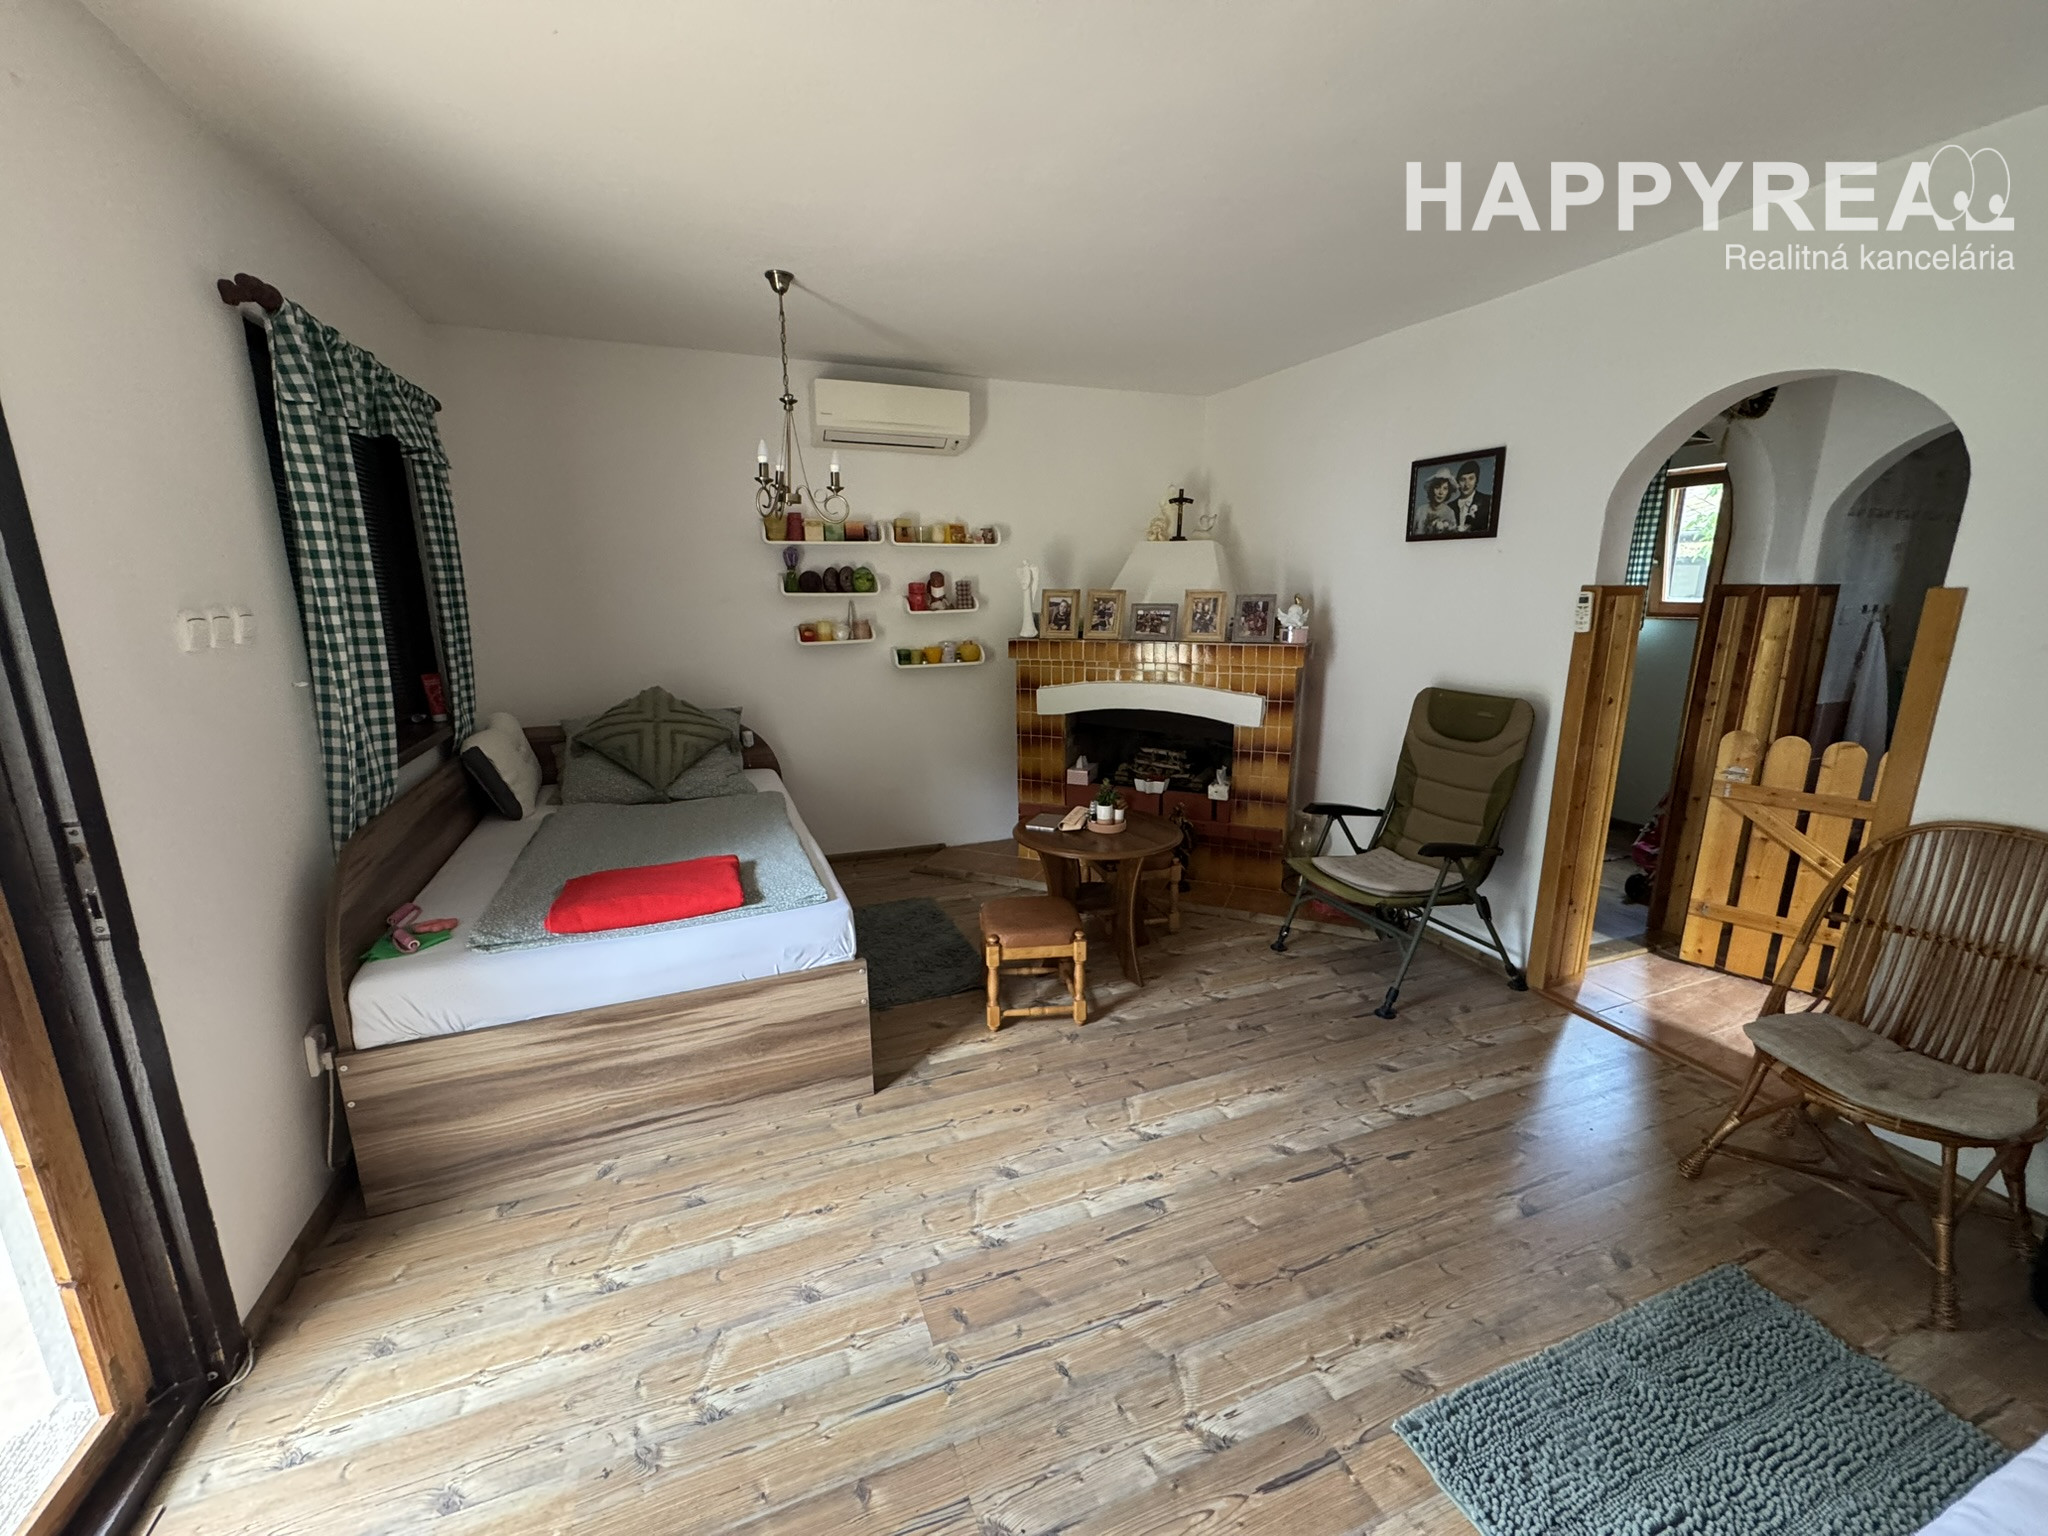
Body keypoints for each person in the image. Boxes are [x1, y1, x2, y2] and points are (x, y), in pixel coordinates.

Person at [1447, 460, 1493, 531]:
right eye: (1463, 479)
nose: (1466, 484)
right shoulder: (1449, 507)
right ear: (1457, 482)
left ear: (1476, 480)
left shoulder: (1488, 501)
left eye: (1471, 478)